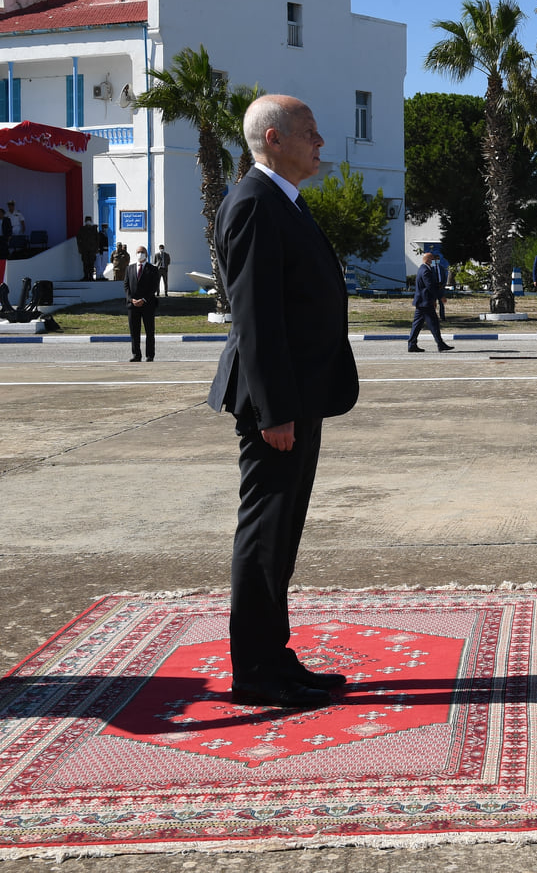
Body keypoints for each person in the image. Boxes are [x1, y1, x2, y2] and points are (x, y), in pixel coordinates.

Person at [207, 94, 360, 709]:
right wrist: (274, 412)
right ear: (273, 138)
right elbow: (254, 319)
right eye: (310, 131)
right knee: (265, 534)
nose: (320, 143)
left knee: (282, 536)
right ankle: (256, 672)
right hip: (278, 406)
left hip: (301, 397)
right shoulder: (252, 203)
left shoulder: (280, 202)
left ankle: (274, 656)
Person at [409, 258, 455, 352]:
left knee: (417, 325)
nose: (434, 261)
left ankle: (412, 344)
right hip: (425, 302)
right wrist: (440, 297)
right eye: (432, 259)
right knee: (434, 324)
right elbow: (430, 286)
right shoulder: (425, 270)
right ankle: (440, 344)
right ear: (427, 260)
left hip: (423, 301)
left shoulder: (423, 269)